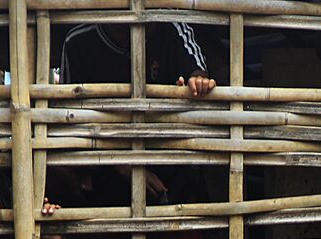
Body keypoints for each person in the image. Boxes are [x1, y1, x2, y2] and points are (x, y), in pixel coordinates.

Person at [59, 22, 217, 206]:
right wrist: (121, 164)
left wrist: (198, 82)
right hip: (106, 173)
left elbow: (197, 71)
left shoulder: (171, 27)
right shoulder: (78, 42)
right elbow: (71, 121)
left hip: (168, 164)